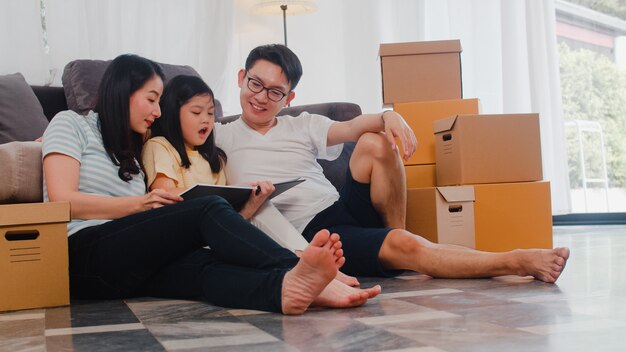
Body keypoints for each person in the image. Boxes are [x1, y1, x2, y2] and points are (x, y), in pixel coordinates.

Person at [42, 53, 380, 315]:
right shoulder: (70, 123)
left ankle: (285, 290)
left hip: (128, 264)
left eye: (161, 101)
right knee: (207, 208)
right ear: (122, 92)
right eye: (151, 99)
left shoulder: (134, 147)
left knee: (207, 268)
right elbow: (61, 201)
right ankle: (298, 268)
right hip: (82, 255)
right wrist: (140, 204)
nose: (159, 111)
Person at [215, 44, 570, 283]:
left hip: (338, 205)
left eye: (274, 92)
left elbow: (354, 127)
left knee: (375, 142)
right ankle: (515, 260)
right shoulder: (218, 136)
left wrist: (388, 116)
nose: (261, 97)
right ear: (240, 78)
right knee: (407, 246)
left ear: (288, 97)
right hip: (313, 233)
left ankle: (397, 243)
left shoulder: (301, 124)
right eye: (255, 84)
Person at [142, 74, 309, 253]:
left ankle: (307, 259)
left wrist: (248, 201)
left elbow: (231, 222)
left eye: (211, 113)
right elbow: (164, 195)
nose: (206, 119)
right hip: (183, 234)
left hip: (216, 236)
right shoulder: (159, 146)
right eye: (196, 112)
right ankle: (311, 264)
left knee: (262, 207)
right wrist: (217, 197)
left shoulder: (216, 159)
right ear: (173, 114)